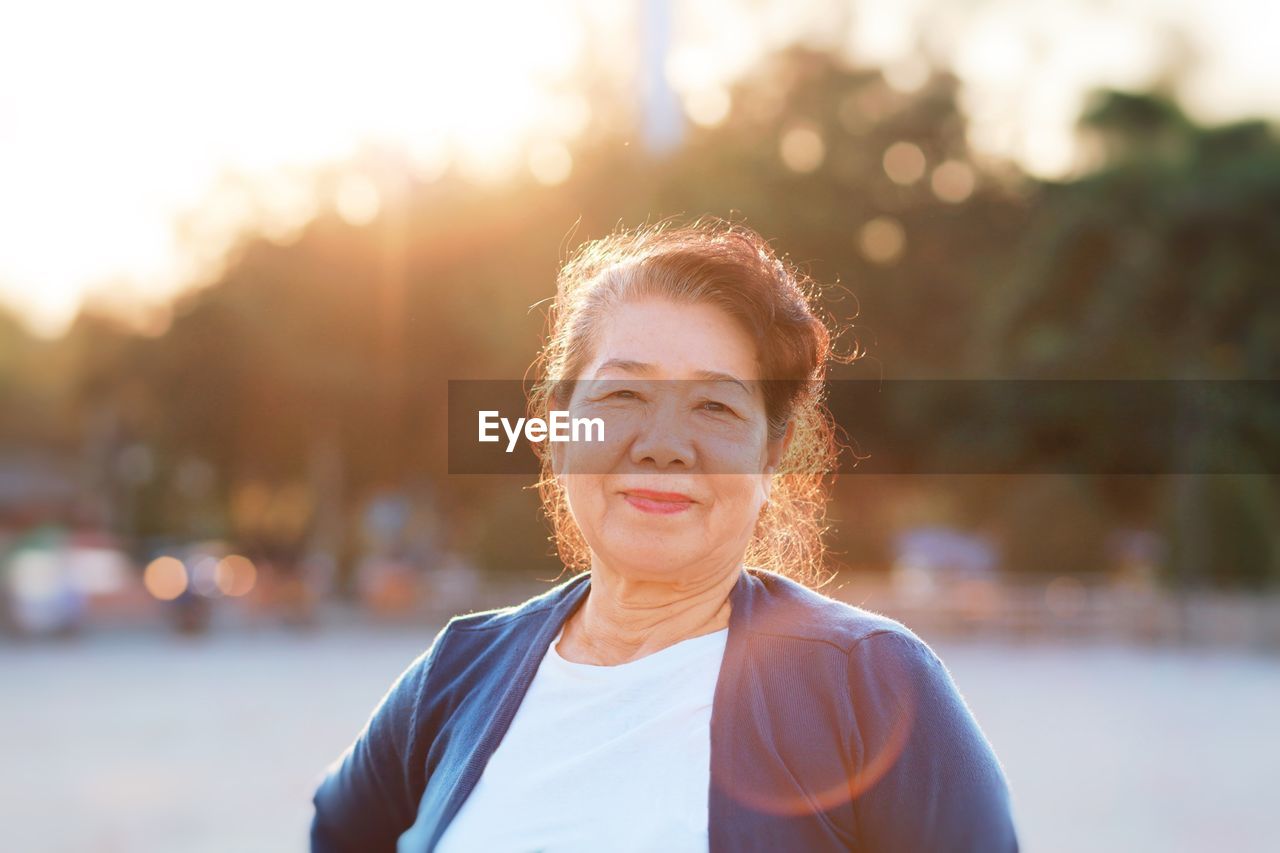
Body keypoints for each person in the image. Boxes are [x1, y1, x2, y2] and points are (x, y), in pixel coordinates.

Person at [311, 219, 1019, 852]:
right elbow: (338, 832)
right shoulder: (461, 670)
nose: (663, 444)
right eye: (623, 394)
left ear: (772, 450)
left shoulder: (871, 681)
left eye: (713, 404)